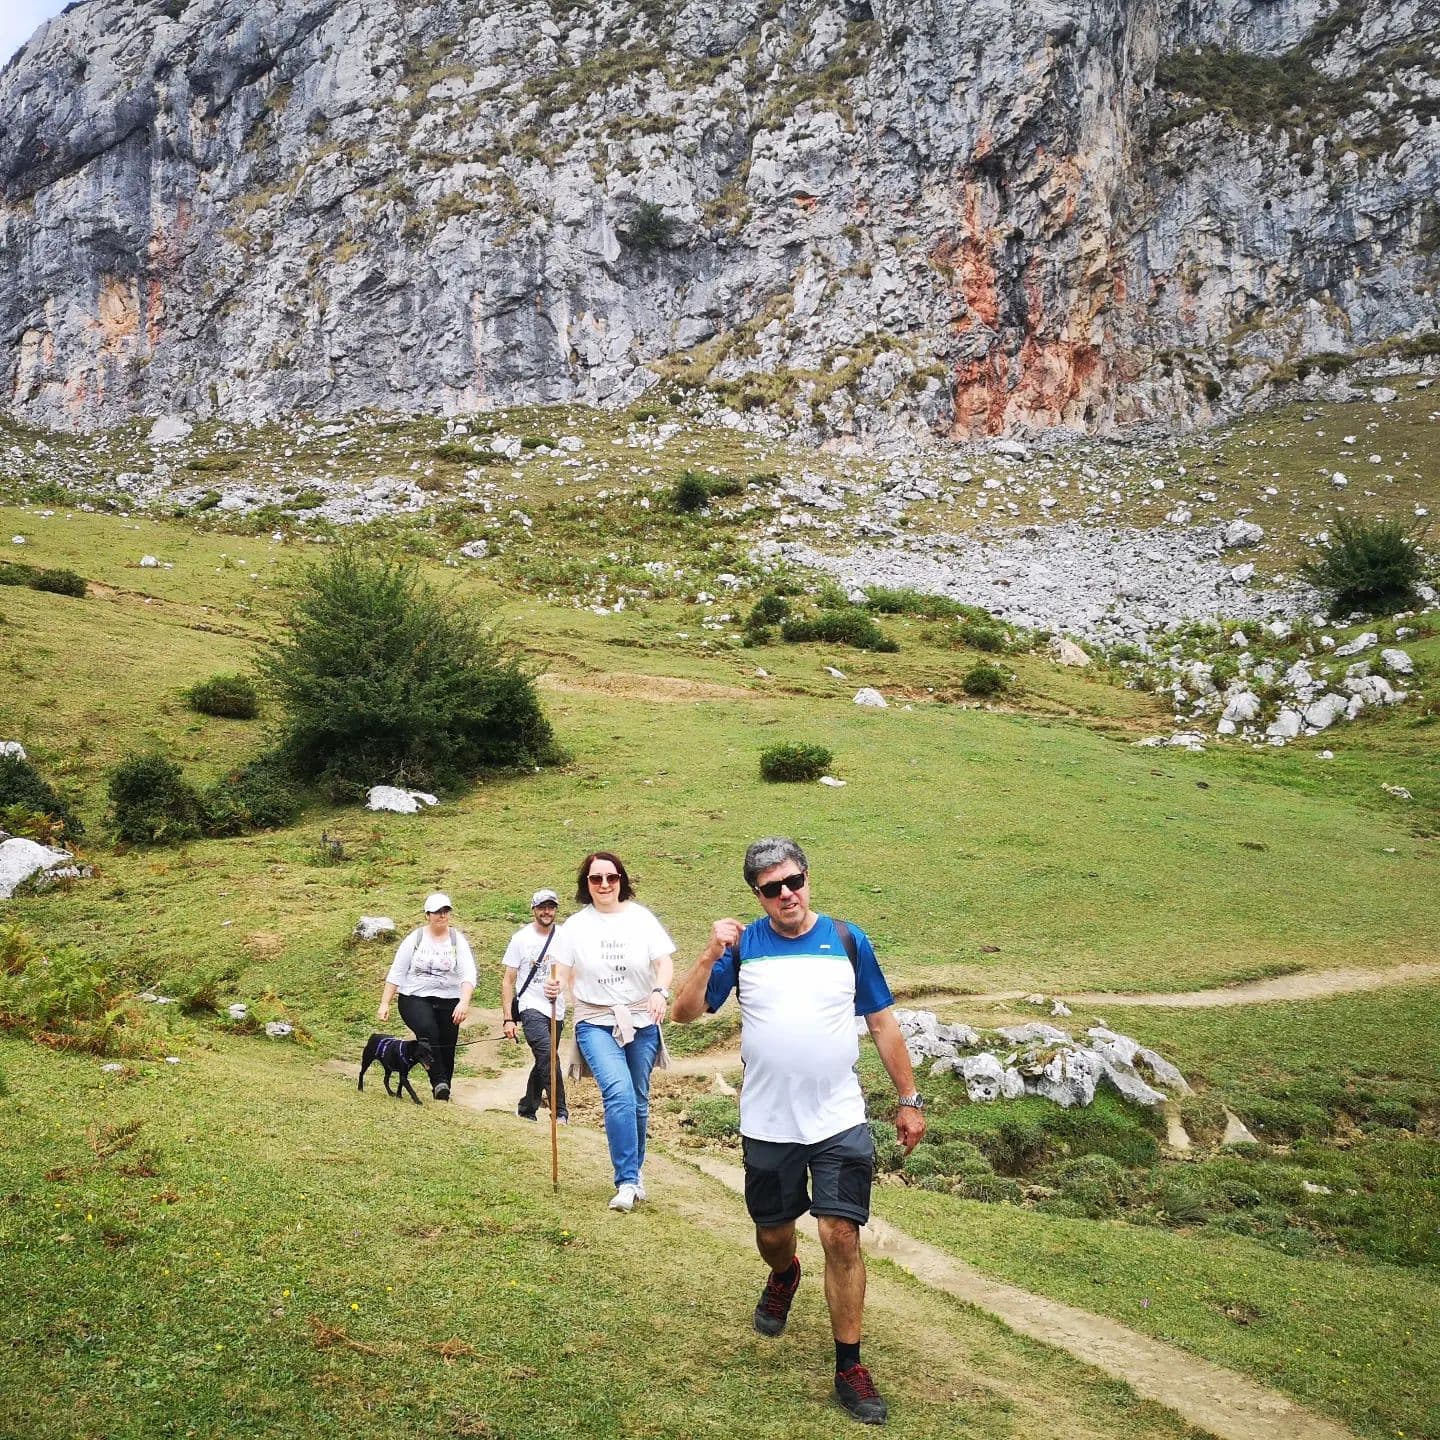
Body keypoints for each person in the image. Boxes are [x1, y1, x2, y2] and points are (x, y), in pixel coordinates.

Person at [671, 838, 925, 1427]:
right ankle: (784, 1275)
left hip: (838, 1117)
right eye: (771, 888)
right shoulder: (742, 948)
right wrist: (709, 954)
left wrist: (909, 1100)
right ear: (756, 896)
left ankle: (849, 1366)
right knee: (773, 1235)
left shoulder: (846, 940)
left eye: (794, 881)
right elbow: (683, 1014)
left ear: (808, 878)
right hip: (769, 1122)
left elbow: (882, 1022)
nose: (787, 895)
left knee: (840, 1233)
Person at [543, 851, 675, 1213]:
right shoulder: (575, 927)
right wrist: (555, 988)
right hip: (595, 1020)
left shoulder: (641, 918)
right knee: (617, 1092)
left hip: (642, 1018)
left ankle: (636, 1172)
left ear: (621, 880)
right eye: (595, 879)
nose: (604, 885)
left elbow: (664, 963)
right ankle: (627, 1181)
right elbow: (562, 972)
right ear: (586, 884)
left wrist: (660, 992)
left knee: (638, 1099)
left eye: (611, 878)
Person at [377, 892, 476, 1102]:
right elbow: (397, 971)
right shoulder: (415, 939)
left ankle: (443, 1090)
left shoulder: (457, 940)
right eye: (437, 912)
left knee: (447, 1044)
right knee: (428, 1030)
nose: (442, 916)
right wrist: (385, 1002)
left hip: (449, 998)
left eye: (445, 911)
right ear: (427, 915)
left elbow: (468, 974)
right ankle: (438, 1080)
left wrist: (464, 1002)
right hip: (414, 996)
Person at [501, 888, 568, 1125]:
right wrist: (509, 1018)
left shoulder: (565, 937)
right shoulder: (521, 939)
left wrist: (562, 985)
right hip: (531, 1007)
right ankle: (560, 1111)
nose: (547, 911)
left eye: (551, 907)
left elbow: (574, 971)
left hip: (556, 1009)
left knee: (544, 1059)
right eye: (542, 907)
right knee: (548, 1056)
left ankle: (526, 1108)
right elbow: (508, 980)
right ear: (534, 910)